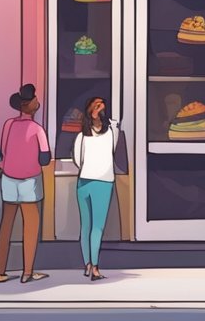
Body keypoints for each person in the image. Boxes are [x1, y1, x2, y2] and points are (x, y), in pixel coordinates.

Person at [0, 83, 51, 284]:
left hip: (9, 178)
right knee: (31, 225)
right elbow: (45, 158)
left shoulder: (8, 125)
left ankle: (0, 272)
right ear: (32, 104)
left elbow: (3, 150)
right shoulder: (37, 129)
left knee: (6, 225)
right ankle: (27, 272)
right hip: (29, 180)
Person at [72, 96, 122, 281]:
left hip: (86, 182)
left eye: (102, 104)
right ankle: (93, 267)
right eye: (97, 105)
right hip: (99, 183)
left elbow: (78, 160)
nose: (100, 108)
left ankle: (89, 265)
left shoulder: (84, 136)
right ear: (90, 111)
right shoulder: (108, 134)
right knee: (94, 227)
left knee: (89, 227)